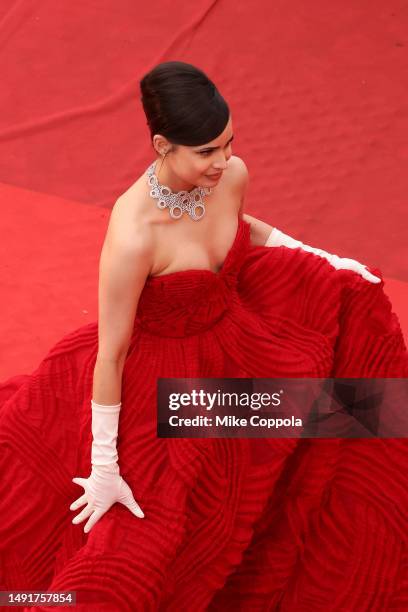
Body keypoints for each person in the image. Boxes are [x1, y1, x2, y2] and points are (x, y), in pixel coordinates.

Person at [0, 60, 406, 611]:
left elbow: (247, 226)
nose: (224, 163)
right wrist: (103, 467)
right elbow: (113, 355)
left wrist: (327, 260)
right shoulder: (133, 233)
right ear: (163, 145)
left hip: (239, 342)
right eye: (207, 153)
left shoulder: (231, 175)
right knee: (137, 556)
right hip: (161, 390)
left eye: (228, 145)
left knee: (365, 418)